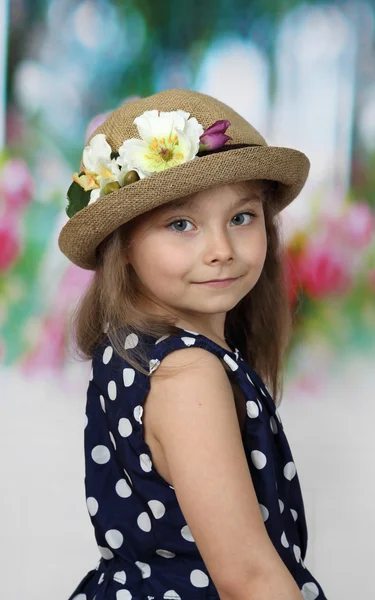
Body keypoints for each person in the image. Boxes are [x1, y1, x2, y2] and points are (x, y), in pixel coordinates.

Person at [58, 89, 328, 600]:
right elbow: (248, 578)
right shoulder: (188, 373)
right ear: (125, 247)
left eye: (241, 218)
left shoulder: (136, 352)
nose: (222, 250)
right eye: (181, 224)